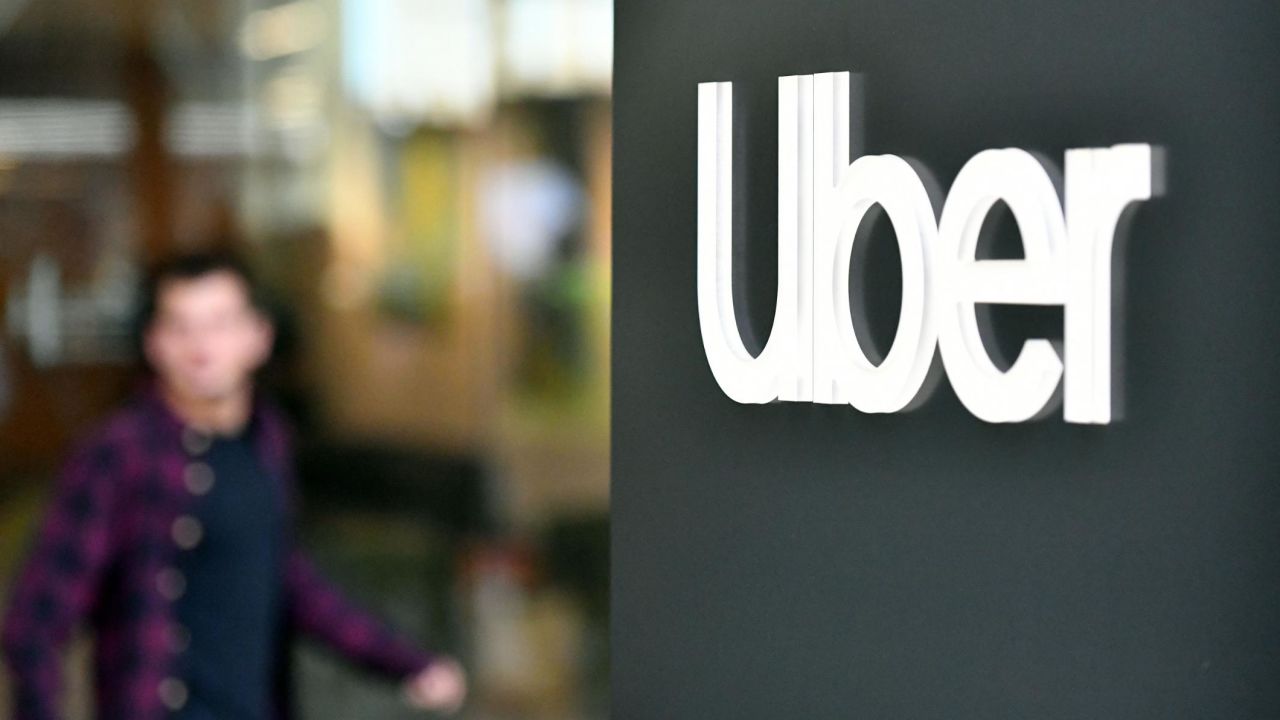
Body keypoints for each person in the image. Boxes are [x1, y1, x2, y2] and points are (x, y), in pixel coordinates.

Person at [1, 251, 467, 719]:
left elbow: (284, 577)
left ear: (258, 336)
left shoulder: (267, 438)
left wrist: (405, 662)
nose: (200, 346)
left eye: (220, 324)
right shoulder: (120, 454)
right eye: (180, 327)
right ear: (153, 342)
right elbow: (36, 621)